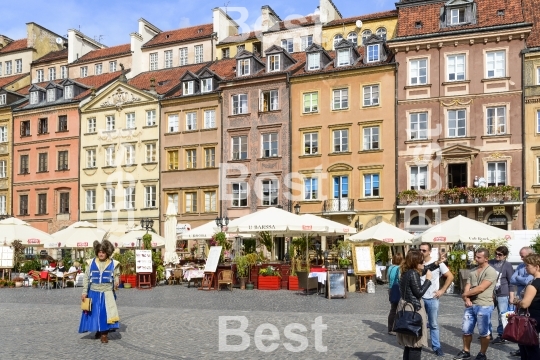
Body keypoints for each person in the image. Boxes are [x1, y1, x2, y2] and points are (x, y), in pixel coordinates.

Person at [454, 248, 498, 360]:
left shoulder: (491, 271)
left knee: (483, 332)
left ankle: (482, 354)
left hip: (484, 304)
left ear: (486, 258)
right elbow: (467, 286)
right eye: (476, 256)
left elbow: (481, 288)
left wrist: (465, 295)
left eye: (479, 257)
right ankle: (466, 351)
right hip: (471, 305)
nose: (476, 259)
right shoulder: (473, 271)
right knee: (466, 330)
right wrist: (466, 298)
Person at [79, 240, 120, 343]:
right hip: (93, 291)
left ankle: (104, 334)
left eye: (103, 252)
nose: (101, 254)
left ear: (107, 253)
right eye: (99, 252)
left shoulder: (114, 264)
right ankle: (98, 329)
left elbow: (116, 276)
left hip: (107, 292)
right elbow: (86, 278)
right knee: (95, 313)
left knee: (105, 314)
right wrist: (84, 292)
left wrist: (116, 282)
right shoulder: (90, 263)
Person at [418, 243, 454, 356]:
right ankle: (419, 343)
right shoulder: (416, 263)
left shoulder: (437, 263)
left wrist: (442, 290)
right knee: (419, 322)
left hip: (432, 297)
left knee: (433, 324)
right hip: (420, 297)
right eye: (420, 250)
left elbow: (450, 276)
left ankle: (436, 346)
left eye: (424, 250)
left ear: (429, 252)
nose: (421, 252)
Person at [397, 250, 432, 360]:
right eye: (421, 261)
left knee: (408, 344)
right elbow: (419, 293)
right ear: (414, 262)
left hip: (406, 308)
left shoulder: (406, 271)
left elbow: (425, 268)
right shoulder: (413, 273)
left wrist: (437, 263)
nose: (423, 263)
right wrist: (428, 280)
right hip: (414, 309)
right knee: (415, 345)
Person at [511, 253, 540, 359]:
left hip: (532, 319)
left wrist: (517, 302)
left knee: (530, 348)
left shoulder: (534, 284)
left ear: (536, 267)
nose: (525, 268)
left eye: (527, 265)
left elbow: (525, 303)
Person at [508, 247, 534, 357]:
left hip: (530, 301)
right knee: (520, 325)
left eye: (523, 255)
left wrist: (519, 278)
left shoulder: (534, 267)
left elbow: (530, 280)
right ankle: (521, 348)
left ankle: (531, 349)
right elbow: (512, 279)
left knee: (530, 327)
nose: (521, 258)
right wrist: (522, 279)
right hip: (520, 299)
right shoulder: (520, 266)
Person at [488, 246, 515, 345]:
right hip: (490, 293)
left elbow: (511, 282)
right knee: (486, 312)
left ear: (505, 256)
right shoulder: (490, 262)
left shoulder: (507, 265)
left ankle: (501, 335)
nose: (497, 256)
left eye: (500, 254)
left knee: (502, 315)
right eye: (496, 253)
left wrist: (511, 297)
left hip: (503, 293)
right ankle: (488, 333)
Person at [387, 253, 403, 335]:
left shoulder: (390, 267)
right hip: (397, 289)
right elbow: (400, 279)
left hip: (391, 289)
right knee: (398, 309)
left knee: (393, 309)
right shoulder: (399, 268)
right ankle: (395, 328)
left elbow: (388, 278)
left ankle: (390, 328)